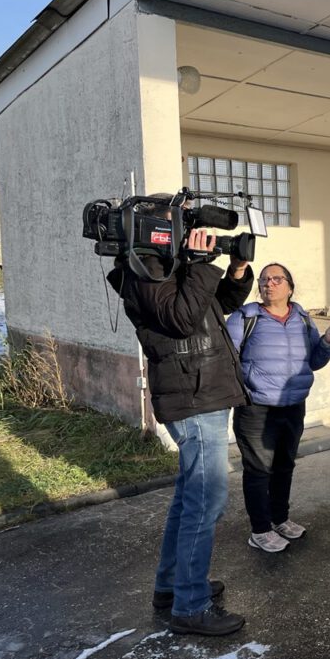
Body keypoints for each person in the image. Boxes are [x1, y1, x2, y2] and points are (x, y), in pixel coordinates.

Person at [108, 226, 253, 637]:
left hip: (201, 391)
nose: (191, 233)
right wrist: (202, 263)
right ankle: (190, 606)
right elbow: (181, 317)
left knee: (190, 497)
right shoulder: (144, 269)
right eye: (181, 223)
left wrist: (236, 269)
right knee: (206, 501)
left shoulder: (168, 266)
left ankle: (172, 587)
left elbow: (213, 304)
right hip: (193, 396)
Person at [226, 263, 330, 553]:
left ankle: (279, 518)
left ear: (290, 287)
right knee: (258, 470)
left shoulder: (301, 317)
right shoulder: (245, 317)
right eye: (264, 279)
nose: (269, 283)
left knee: (284, 465)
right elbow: (226, 360)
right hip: (257, 408)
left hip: (292, 406)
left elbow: (314, 360)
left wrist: (328, 342)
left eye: (277, 279)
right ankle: (260, 530)